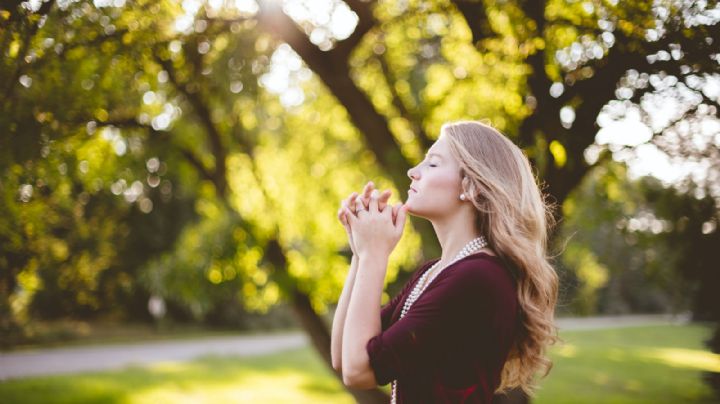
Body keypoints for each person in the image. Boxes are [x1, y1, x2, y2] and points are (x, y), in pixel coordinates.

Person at [331, 120, 559, 403]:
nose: (413, 172)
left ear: (472, 186)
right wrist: (360, 251)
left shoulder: (478, 278)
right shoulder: (436, 271)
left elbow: (360, 370)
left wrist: (374, 255)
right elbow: (344, 356)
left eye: (433, 164)